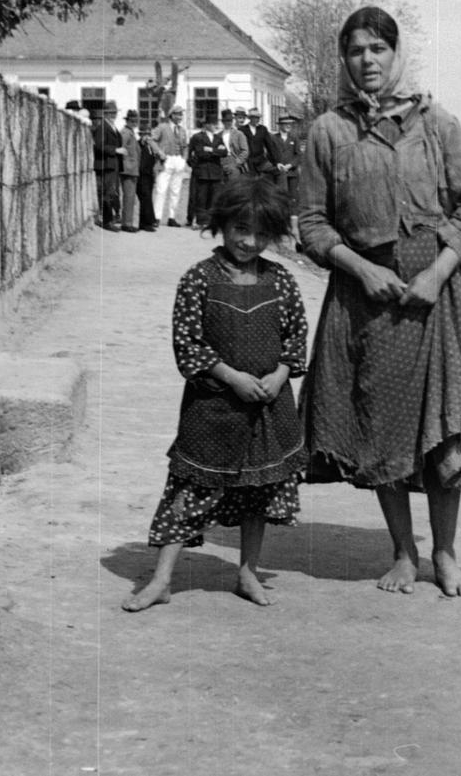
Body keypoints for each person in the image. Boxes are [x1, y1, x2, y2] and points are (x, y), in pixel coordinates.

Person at [298, 5, 461, 598]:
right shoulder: (328, 132)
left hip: (439, 301)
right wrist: (361, 268)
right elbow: (311, 224)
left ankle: (444, 552)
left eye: (378, 49)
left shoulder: (437, 124)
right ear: (344, 59)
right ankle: (403, 553)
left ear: (396, 54)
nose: (367, 61)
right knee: (381, 425)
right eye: (356, 51)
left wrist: (438, 273)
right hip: (369, 304)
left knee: (445, 427)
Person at [122, 177, 307, 612]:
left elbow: (295, 337)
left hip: (268, 406)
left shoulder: (280, 279)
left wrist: (280, 376)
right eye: (240, 229)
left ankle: (247, 572)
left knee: (258, 492)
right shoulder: (198, 280)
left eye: (261, 234)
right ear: (222, 226)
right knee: (189, 490)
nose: (248, 241)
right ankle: (162, 579)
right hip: (213, 409)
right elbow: (188, 343)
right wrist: (231, 377)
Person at [151, 106, 190, 228]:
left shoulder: (182, 130)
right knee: (161, 189)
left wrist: (184, 159)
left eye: (181, 115)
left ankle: (172, 217)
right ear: (171, 115)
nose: (180, 117)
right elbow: (151, 140)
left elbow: (185, 146)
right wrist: (160, 153)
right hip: (166, 160)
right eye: (177, 114)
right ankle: (157, 217)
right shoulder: (163, 127)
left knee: (176, 190)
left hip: (178, 160)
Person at [186, 116, 228, 228]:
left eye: (216, 124)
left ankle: (209, 221)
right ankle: (200, 221)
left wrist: (211, 150)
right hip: (202, 172)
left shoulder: (218, 138)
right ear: (206, 125)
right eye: (213, 124)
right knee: (201, 198)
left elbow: (224, 152)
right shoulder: (197, 137)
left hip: (215, 172)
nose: (215, 126)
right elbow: (200, 153)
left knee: (213, 198)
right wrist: (216, 151)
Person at [90, 102, 124, 231]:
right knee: (107, 192)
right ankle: (107, 220)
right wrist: (115, 150)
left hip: (112, 164)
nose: (113, 115)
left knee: (110, 192)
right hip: (106, 164)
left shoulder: (111, 126)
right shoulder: (103, 127)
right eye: (111, 113)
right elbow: (99, 145)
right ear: (106, 113)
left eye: (114, 113)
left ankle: (110, 217)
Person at [119, 110, 143, 233]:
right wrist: (125, 164)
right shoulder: (126, 133)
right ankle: (126, 223)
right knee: (129, 197)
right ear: (127, 121)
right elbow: (121, 149)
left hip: (132, 168)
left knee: (131, 197)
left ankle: (128, 221)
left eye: (136, 121)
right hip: (128, 169)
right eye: (132, 121)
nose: (134, 123)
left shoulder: (131, 133)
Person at [136, 122, 161, 230]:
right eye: (144, 133)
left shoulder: (150, 146)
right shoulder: (139, 144)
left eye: (148, 134)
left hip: (149, 174)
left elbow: (156, 157)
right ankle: (147, 223)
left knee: (147, 198)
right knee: (145, 198)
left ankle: (145, 222)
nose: (147, 136)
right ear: (140, 134)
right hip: (141, 175)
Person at [220, 110, 250, 179]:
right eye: (226, 121)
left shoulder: (239, 134)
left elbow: (245, 151)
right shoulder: (218, 135)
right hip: (222, 162)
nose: (228, 123)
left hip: (234, 160)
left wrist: (237, 162)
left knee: (234, 185)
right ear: (222, 122)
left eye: (230, 121)